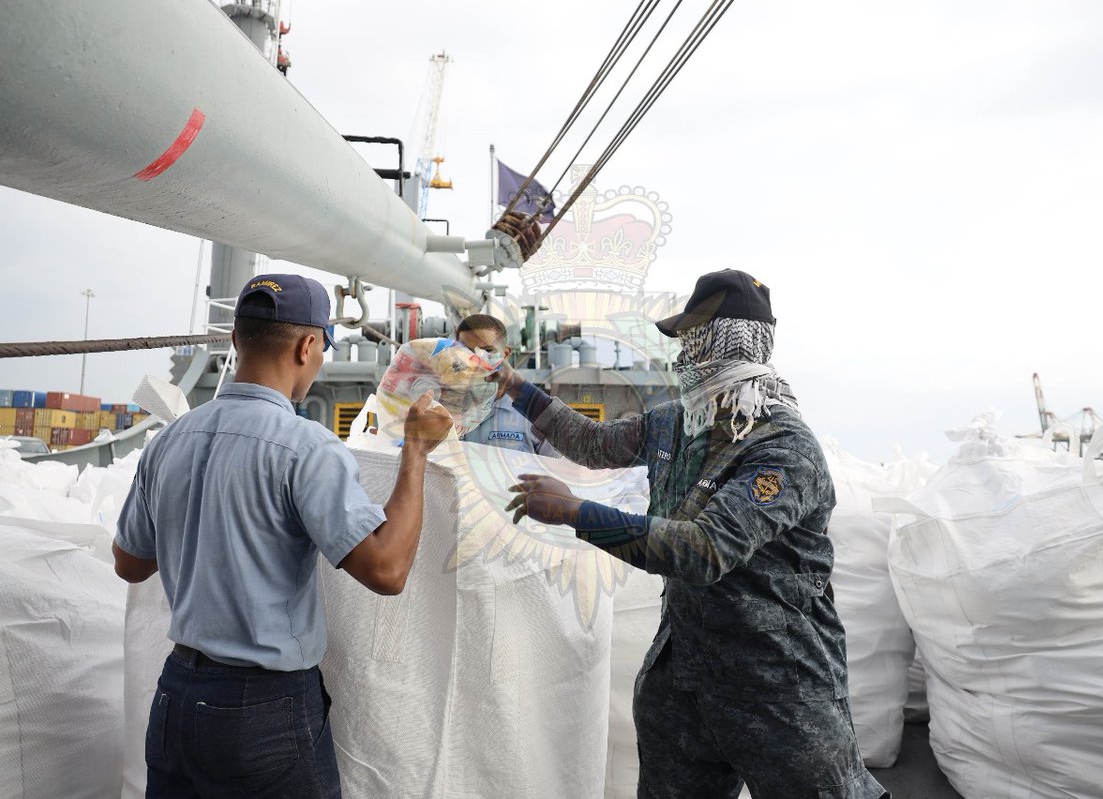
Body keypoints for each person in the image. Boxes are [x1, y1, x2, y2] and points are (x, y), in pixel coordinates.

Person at [495, 269, 888, 799]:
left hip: (777, 684)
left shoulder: (782, 447)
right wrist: (515, 387)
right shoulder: (677, 422)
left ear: (726, 341)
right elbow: (594, 444)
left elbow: (705, 549)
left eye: (693, 338)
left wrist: (577, 513)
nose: (683, 354)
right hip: (683, 677)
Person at [111, 273, 452, 798]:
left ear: (235, 339)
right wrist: (416, 452)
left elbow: (129, 564)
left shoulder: (169, 441)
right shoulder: (306, 448)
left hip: (175, 697)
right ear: (307, 345)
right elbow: (387, 570)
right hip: (261, 711)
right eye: (321, 352)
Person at [456, 313, 559, 457]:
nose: (476, 360)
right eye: (467, 351)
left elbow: (555, 467)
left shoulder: (535, 413)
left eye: (487, 351)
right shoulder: (443, 407)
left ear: (505, 354)